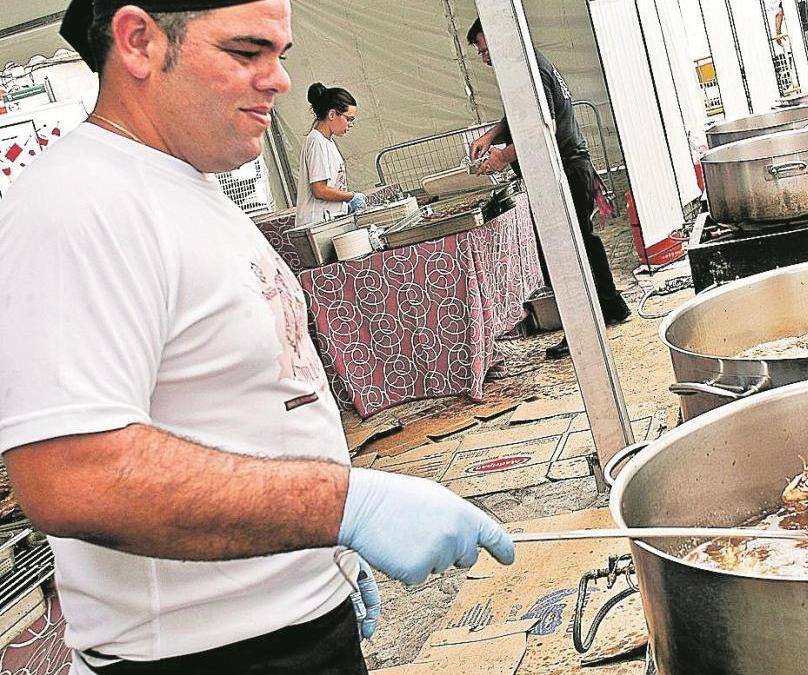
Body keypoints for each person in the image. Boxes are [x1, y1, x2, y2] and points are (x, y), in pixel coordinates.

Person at [0, 2, 513, 673]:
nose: (280, 80)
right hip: (209, 654)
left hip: (291, 622)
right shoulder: (76, 203)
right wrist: (343, 504)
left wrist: (319, 561)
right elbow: (72, 474)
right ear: (137, 41)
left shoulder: (190, 183)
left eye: (281, 52)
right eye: (248, 52)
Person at [465, 18, 630, 360]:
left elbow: (542, 127)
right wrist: (491, 136)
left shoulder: (530, 71)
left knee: (560, 254)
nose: (485, 59)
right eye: (481, 53)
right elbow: (520, 116)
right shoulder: (527, 65)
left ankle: (582, 328)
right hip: (571, 167)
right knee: (583, 241)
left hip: (564, 169)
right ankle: (612, 306)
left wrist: (502, 157)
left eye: (486, 50)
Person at [296, 82, 366, 226]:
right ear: (332, 114)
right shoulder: (316, 141)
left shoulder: (328, 142)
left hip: (328, 219)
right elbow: (319, 190)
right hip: (317, 222)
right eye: (349, 119)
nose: (350, 125)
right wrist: (350, 197)